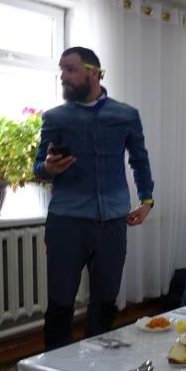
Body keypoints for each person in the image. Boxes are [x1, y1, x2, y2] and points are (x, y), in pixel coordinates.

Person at [34, 46, 154, 351]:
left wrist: (147, 201)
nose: (63, 76)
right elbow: (39, 167)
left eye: (70, 69)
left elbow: (139, 160)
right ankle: (56, 366)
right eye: (61, 70)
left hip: (112, 221)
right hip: (66, 222)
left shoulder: (126, 115)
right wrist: (48, 168)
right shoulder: (55, 117)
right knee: (60, 300)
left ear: (93, 72)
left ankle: (96, 364)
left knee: (105, 300)